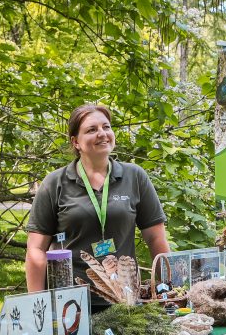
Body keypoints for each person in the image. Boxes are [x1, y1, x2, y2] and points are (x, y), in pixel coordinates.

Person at [25, 104, 170, 309]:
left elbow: (156, 238)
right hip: (70, 302)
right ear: (76, 142)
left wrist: (167, 289)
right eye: (92, 130)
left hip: (124, 300)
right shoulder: (55, 183)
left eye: (106, 127)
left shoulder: (134, 176)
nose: (102, 134)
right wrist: (36, 305)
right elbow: (36, 250)